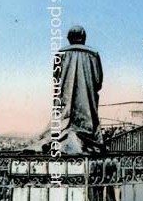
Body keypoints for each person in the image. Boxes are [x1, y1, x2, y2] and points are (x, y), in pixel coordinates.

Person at [38, 25, 104, 154]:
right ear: (84, 37)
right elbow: (98, 81)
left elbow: (56, 77)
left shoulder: (61, 53)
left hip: (65, 99)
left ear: (69, 38)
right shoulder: (93, 54)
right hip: (86, 103)